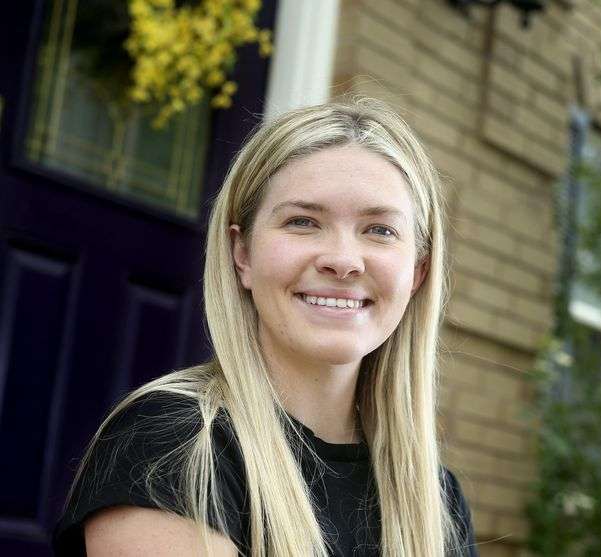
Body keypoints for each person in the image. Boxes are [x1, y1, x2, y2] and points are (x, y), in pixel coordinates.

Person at [52, 97, 478, 556]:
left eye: (379, 230)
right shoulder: (174, 445)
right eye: (302, 222)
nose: (342, 260)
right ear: (243, 256)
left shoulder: (435, 498)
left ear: (416, 273)